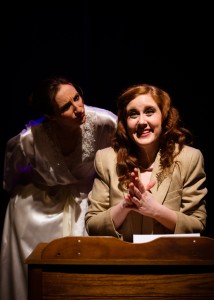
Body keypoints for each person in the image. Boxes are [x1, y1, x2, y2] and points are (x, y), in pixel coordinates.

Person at [0, 76, 117, 300]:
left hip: (87, 201)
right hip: (38, 209)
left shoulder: (104, 122)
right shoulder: (28, 141)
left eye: (77, 97)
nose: (77, 108)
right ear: (50, 116)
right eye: (66, 107)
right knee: (38, 277)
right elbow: (11, 178)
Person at [85, 83, 207, 242]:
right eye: (133, 114)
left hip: (168, 260)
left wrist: (154, 210)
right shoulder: (106, 159)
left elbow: (197, 224)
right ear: (125, 122)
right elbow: (93, 225)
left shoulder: (188, 158)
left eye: (150, 112)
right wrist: (124, 206)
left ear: (164, 117)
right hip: (120, 261)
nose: (141, 121)